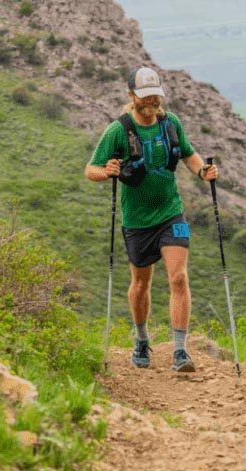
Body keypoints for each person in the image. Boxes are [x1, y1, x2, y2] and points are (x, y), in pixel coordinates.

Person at [84, 66, 218, 372]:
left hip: (171, 212)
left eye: (155, 95)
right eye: (144, 96)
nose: (151, 101)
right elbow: (90, 169)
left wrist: (202, 171)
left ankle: (180, 351)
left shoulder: (171, 123)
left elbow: (188, 154)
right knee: (141, 283)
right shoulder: (118, 130)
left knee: (178, 277)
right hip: (137, 221)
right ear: (131, 96)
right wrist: (106, 172)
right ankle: (142, 340)